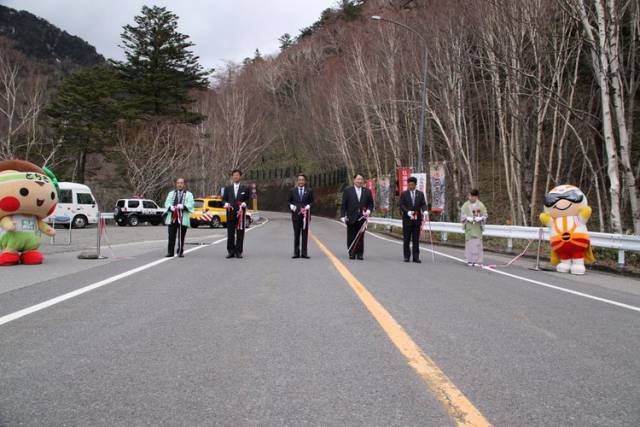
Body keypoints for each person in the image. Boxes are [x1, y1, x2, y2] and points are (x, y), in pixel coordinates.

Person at [340, 173, 374, 260]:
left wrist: (369, 210)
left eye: (361, 179)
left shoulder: (367, 191)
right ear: (354, 180)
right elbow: (343, 204)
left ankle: (360, 254)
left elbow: (371, 203)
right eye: (358, 179)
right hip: (351, 217)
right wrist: (343, 216)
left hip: (362, 217)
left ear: (363, 181)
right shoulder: (348, 190)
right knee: (351, 235)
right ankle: (351, 253)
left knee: (361, 236)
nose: (359, 181)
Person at [223, 169, 250, 258]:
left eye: (237, 175)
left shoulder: (245, 188)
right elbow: (223, 199)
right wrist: (225, 204)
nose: (236, 176)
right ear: (232, 176)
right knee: (230, 233)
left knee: (240, 233)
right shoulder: (227, 188)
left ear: (240, 177)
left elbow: (248, 199)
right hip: (230, 213)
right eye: (234, 175)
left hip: (241, 214)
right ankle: (230, 251)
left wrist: (244, 203)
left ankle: (239, 251)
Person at [163, 177, 194, 258]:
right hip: (172, 217)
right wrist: (170, 207)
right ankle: (170, 252)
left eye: (181, 183)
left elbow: (191, 204)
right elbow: (167, 203)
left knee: (181, 236)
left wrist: (183, 206)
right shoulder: (171, 193)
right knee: (171, 235)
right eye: (178, 183)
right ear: (176, 184)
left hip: (183, 218)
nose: (180, 184)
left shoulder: (189, 194)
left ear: (184, 184)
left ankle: (180, 251)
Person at [399, 176, 427, 263]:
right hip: (407, 218)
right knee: (406, 238)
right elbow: (401, 204)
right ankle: (406, 256)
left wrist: (425, 211)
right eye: (409, 185)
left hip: (417, 219)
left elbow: (423, 204)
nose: (410, 186)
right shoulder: (404, 194)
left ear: (415, 185)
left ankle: (416, 257)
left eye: (412, 185)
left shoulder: (420, 194)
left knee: (416, 239)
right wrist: (407, 212)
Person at [288, 173, 314, 259]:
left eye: (302, 180)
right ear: (297, 181)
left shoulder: (309, 190)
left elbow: (312, 201)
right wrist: (291, 206)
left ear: (305, 181)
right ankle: (296, 253)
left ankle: (304, 253)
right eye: (299, 180)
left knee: (305, 234)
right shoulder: (292, 190)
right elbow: (289, 201)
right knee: (296, 234)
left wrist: (309, 206)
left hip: (306, 217)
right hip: (295, 216)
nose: (301, 181)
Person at [460, 189, 488, 266]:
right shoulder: (466, 205)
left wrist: (481, 218)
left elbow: (485, 215)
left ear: (476, 197)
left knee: (477, 244)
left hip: (477, 227)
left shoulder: (481, 205)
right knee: (469, 243)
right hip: (469, 227)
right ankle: (469, 260)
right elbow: (462, 214)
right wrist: (466, 218)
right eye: (469, 196)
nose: (470, 198)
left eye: (471, 196)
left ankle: (478, 261)